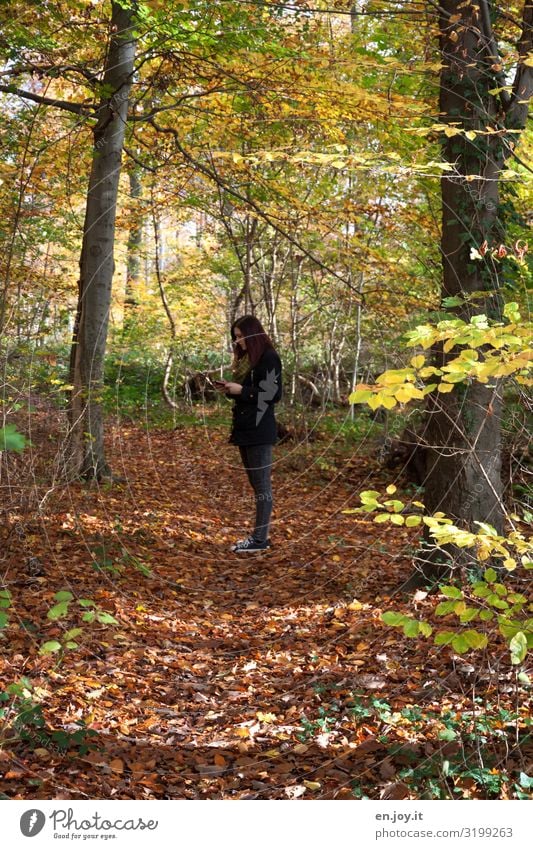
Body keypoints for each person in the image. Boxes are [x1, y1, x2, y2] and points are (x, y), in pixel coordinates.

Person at [214, 315, 282, 552]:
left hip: (260, 429)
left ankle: (260, 539)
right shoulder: (247, 360)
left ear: (254, 334)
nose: (238, 341)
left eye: (241, 336)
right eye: (236, 337)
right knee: (256, 485)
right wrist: (229, 389)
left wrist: (242, 390)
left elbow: (273, 394)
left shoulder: (269, 358)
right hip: (244, 428)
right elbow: (247, 394)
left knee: (262, 486)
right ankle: (259, 537)